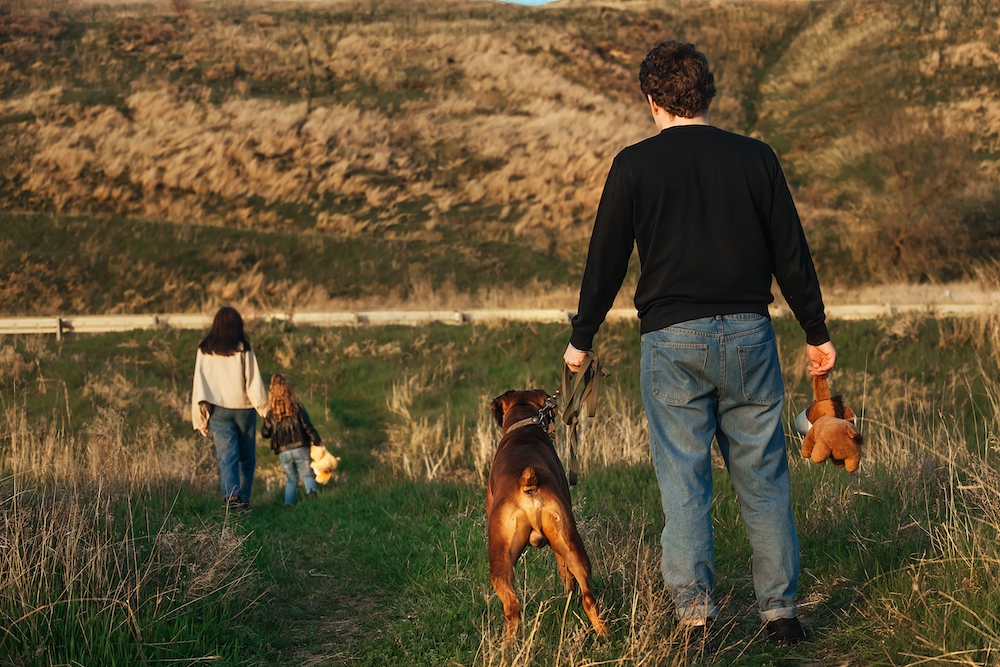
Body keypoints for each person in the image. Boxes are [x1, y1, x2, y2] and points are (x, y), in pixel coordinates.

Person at [563, 41, 836, 645]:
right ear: (706, 93)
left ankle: (694, 618)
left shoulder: (633, 166)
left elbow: (604, 262)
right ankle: (781, 615)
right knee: (763, 476)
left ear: (652, 100)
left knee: (683, 483)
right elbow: (791, 253)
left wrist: (581, 340)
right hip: (749, 336)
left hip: (671, 343)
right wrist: (815, 331)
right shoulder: (756, 159)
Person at [191, 306, 269, 512]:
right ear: (238, 325)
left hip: (218, 410)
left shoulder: (205, 349)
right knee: (246, 457)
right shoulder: (243, 348)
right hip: (244, 408)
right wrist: (264, 408)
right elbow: (253, 381)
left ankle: (230, 497)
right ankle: (243, 501)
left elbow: (199, 385)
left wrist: (200, 418)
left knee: (227, 456)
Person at [260, 374, 321, 506]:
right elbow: (307, 427)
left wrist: (267, 420)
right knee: (307, 475)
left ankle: (288, 504)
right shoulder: (298, 408)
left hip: (283, 452)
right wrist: (316, 441)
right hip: (301, 448)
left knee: (291, 480)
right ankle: (311, 494)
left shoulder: (272, 414)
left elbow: (265, 433)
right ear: (290, 392)